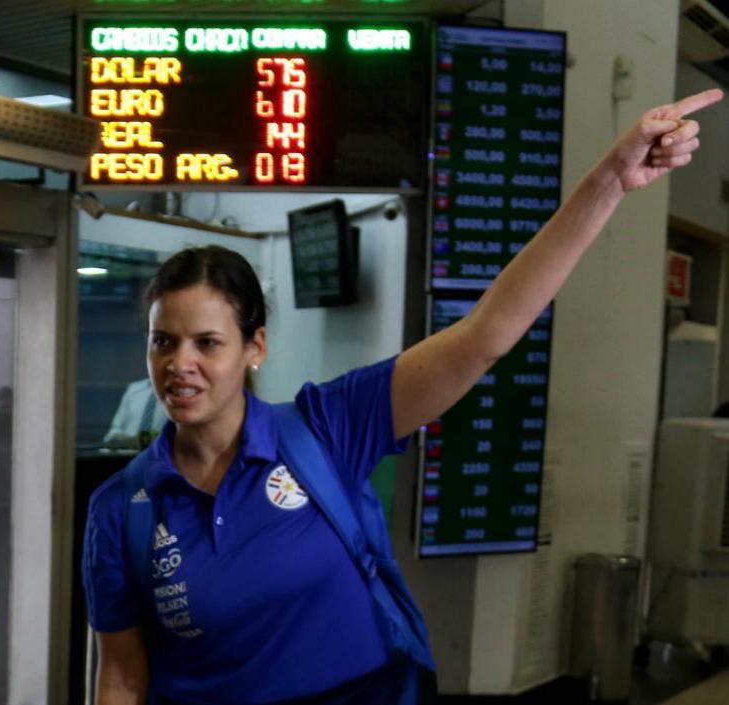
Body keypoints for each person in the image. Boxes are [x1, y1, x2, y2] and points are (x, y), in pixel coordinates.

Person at [83, 89, 723, 705]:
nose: (180, 365)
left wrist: (610, 181)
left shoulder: (327, 429)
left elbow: (485, 336)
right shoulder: (123, 509)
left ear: (256, 347)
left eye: (207, 343)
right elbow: (120, 677)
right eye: (163, 342)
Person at [105, 378, 171, 449]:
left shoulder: (178, 393)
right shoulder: (134, 389)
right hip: (125, 453)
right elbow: (115, 429)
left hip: (161, 454)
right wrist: (120, 438)